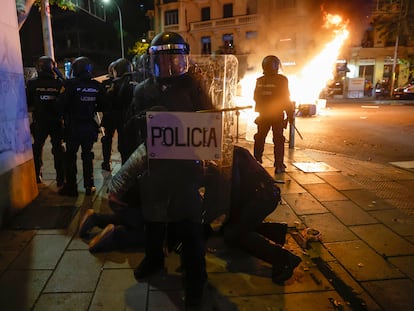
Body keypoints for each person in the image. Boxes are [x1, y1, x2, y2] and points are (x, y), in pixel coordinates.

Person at [124, 31, 214, 308]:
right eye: (163, 60)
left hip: (186, 169)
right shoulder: (142, 91)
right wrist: (139, 123)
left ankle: (196, 280)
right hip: (154, 168)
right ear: (152, 61)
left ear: (183, 59)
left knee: (189, 225)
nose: (169, 65)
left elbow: (211, 121)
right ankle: (154, 259)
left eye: (175, 59)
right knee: (153, 219)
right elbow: (128, 133)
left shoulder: (194, 86)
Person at [207, 146, 302, 285]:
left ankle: (284, 259)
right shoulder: (231, 151)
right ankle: (277, 232)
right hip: (263, 194)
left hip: (262, 197)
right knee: (234, 226)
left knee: (234, 233)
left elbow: (234, 193)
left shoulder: (228, 156)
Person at [57, 56, 109, 196]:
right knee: (87, 155)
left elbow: (60, 105)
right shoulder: (96, 86)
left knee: (71, 157)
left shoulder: (70, 85)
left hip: (73, 127)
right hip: (88, 126)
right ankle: (89, 185)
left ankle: (72, 187)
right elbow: (104, 104)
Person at [26, 56, 65, 186]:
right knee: (58, 149)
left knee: (37, 148)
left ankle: (37, 174)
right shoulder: (59, 83)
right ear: (52, 67)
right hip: (56, 121)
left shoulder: (33, 83)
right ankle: (60, 178)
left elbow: (28, 102)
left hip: (40, 121)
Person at [253, 55, 294, 174]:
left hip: (263, 115)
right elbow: (286, 98)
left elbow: (255, 97)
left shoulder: (259, 80)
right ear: (276, 66)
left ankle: (257, 160)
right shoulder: (282, 80)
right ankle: (279, 165)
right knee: (278, 140)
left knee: (259, 138)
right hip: (276, 116)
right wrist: (290, 115)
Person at [101, 58, 137, 169]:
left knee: (123, 143)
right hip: (119, 117)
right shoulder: (135, 81)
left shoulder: (118, 83)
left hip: (118, 116)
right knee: (110, 139)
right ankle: (108, 161)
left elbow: (108, 99)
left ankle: (123, 166)